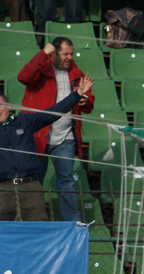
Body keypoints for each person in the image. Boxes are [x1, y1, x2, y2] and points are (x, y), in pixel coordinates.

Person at [17, 38, 95, 223]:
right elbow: (23, 77)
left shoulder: (75, 72)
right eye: (65, 54)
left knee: (66, 181)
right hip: (38, 137)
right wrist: (43, 53)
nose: (70, 57)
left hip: (65, 137)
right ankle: (31, 223)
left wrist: (86, 101)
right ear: (54, 54)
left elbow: (89, 101)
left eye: (71, 53)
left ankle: (72, 223)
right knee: (35, 183)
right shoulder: (40, 70)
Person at [0, 78, 91, 221]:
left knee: (38, 229)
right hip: (3, 189)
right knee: (3, 234)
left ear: (9, 106)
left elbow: (53, 112)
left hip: (30, 186)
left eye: (0, 105)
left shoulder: (24, 121)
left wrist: (78, 93)